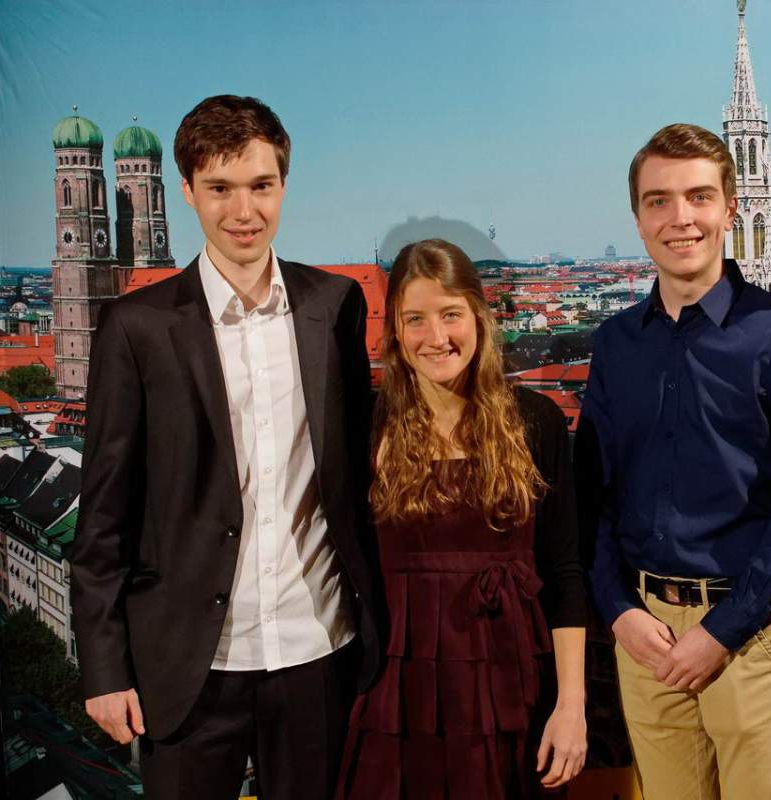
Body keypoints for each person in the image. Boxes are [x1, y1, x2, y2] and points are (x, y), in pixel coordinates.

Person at [70, 95, 381, 799]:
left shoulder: (333, 305)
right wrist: (104, 669)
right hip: (189, 662)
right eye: (220, 188)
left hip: (317, 648)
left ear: (284, 186)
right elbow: (104, 515)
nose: (244, 211)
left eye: (261, 186)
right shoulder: (137, 326)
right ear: (186, 191)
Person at [575, 123, 771, 800]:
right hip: (644, 633)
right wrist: (619, 611)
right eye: (658, 200)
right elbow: (593, 496)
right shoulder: (616, 342)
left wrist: (722, 631)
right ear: (638, 219)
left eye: (698, 197)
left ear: (730, 207)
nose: (680, 217)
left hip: (746, 634)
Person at [337, 239, 588, 799]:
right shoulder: (366, 428)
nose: (436, 337)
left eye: (451, 314)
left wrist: (571, 706)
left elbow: (565, 572)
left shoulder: (536, 422)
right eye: (416, 319)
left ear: (479, 316)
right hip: (397, 689)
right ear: (395, 330)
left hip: (514, 681)